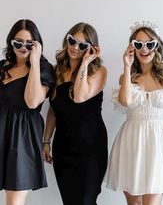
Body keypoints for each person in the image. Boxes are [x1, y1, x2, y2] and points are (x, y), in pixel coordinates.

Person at [105, 21, 163, 205]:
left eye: (149, 44)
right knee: (134, 202)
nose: (144, 49)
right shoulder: (127, 76)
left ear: (157, 45)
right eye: (138, 44)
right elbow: (125, 102)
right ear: (132, 48)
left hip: (157, 143)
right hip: (130, 141)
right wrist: (127, 66)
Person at [43, 22, 108, 205]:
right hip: (63, 146)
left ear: (91, 49)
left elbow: (79, 97)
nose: (75, 47)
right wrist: (46, 140)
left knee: (86, 201)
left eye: (82, 45)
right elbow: (53, 110)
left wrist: (85, 63)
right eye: (72, 41)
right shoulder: (57, 71)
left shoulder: (99, 71)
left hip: (90, 148)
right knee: (70, 201)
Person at [0, 19, 54, 205]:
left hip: (22, 135)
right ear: (10, 43)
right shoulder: (2, 67)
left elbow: (32, 102)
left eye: (29, 43)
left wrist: (34, 62)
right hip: (2, 131)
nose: (23, 47)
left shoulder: (44, 69)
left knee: (14, 200)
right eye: (18, 42)